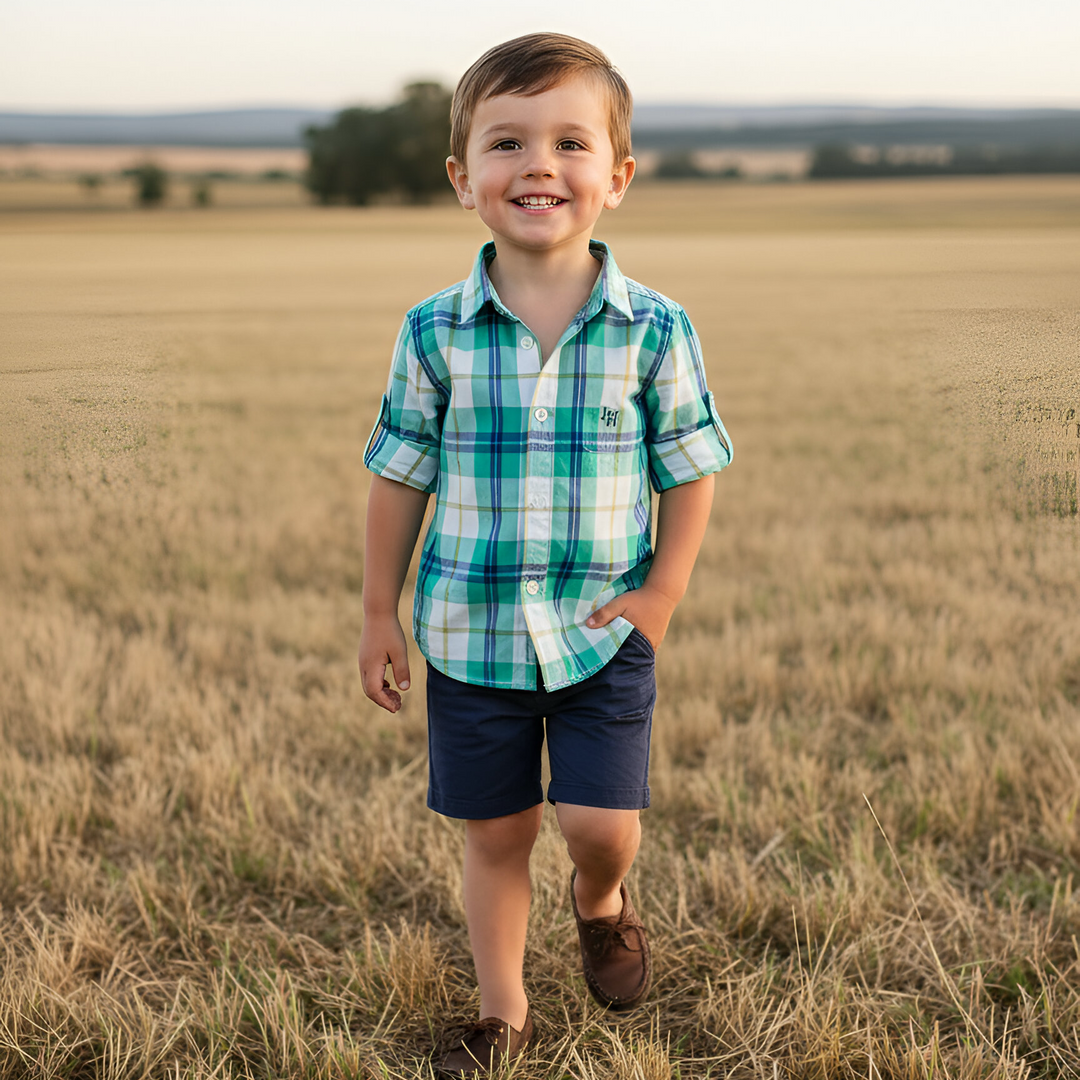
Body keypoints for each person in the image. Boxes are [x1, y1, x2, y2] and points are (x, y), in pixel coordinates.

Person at [357, 32, 732, 1076]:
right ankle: (502, 1010)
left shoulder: (655, 330)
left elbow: (691, 467)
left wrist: (662, 591)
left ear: (614, 178)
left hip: (603, 633)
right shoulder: (433, 333)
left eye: (571, 143)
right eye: (507, 142)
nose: (538, 165)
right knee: (497, 832)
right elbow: (399, 476)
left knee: (599, 823)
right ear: (463, 180)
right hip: (468, 635)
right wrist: (379, 613)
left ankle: (603, 901)